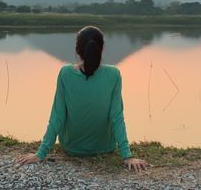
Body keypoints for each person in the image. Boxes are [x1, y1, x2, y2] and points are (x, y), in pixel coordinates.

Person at [16, 26, 147, 172]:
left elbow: (58, 115)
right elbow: (116, 116)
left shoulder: (65, 73)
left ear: (77, 50)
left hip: (72, 147)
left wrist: (41, 153)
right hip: (105, 147)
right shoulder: (114, 74)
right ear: (101, 49)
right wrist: (126, 156)